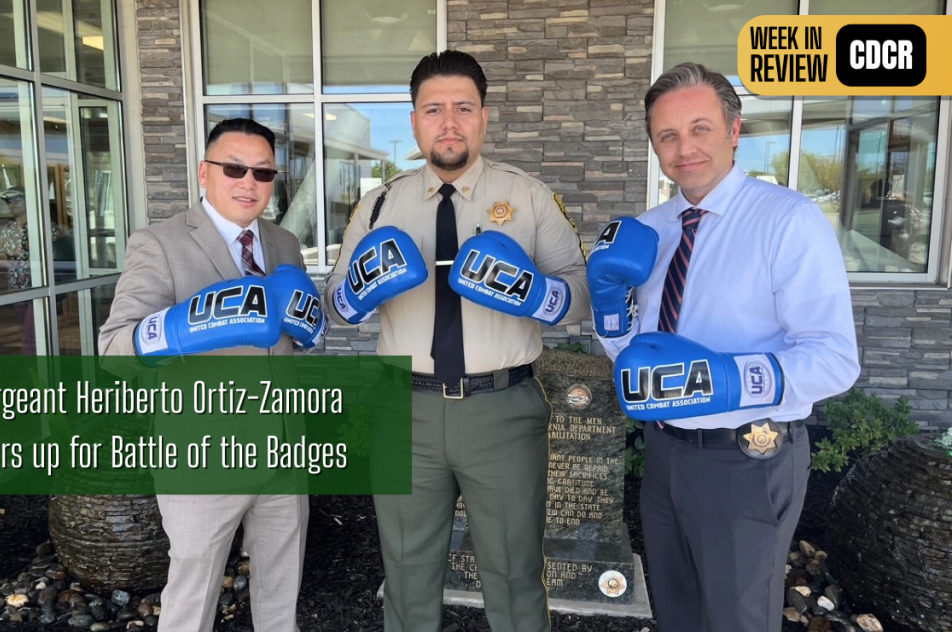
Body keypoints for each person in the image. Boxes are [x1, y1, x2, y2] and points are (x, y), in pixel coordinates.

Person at [588, 62, 860, 632]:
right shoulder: (651, 229)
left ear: (734, 131)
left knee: (737, 619)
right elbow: (633, 360)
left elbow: (835, 357)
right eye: (667, 135)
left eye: (699, 128)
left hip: (747, 460)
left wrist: (727, 379)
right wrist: (611, 312)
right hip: (663, 454)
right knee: (677, 612)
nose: (684, 148)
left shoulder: (788, 220)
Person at [325, 50, 589, 632]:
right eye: (434, 109)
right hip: (403, 411)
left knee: (514, 574)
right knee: (406, 572)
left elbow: (581, 297)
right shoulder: (377, 206)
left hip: (502, 410)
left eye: (463, 108)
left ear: (484, 117)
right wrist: (358, 292)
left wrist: (532, 293)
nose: (449, 122)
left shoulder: (528, 196)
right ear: (415, 121)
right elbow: (335, 309)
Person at [99, 118, 326, 632]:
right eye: (234, 168)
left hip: (283, 448)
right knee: (190, 601)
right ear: (205, 173)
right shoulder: (159, 243)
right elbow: (113, 349)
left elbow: (298, 336)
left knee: (280, 594)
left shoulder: (285, 244)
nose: (249, 181)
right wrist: (180, 329)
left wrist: (314, 330)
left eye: (263, 172)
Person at [0, 185, 66, 354]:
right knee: (33, 332)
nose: (12, 204)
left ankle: (31, 376)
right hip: (17, 288)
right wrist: (11, 264)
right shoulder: (7, 230)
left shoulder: (45, 226)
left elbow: (60, 255)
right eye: (9, 201)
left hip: (41, 287)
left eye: (17, 199)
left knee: (31, 335)